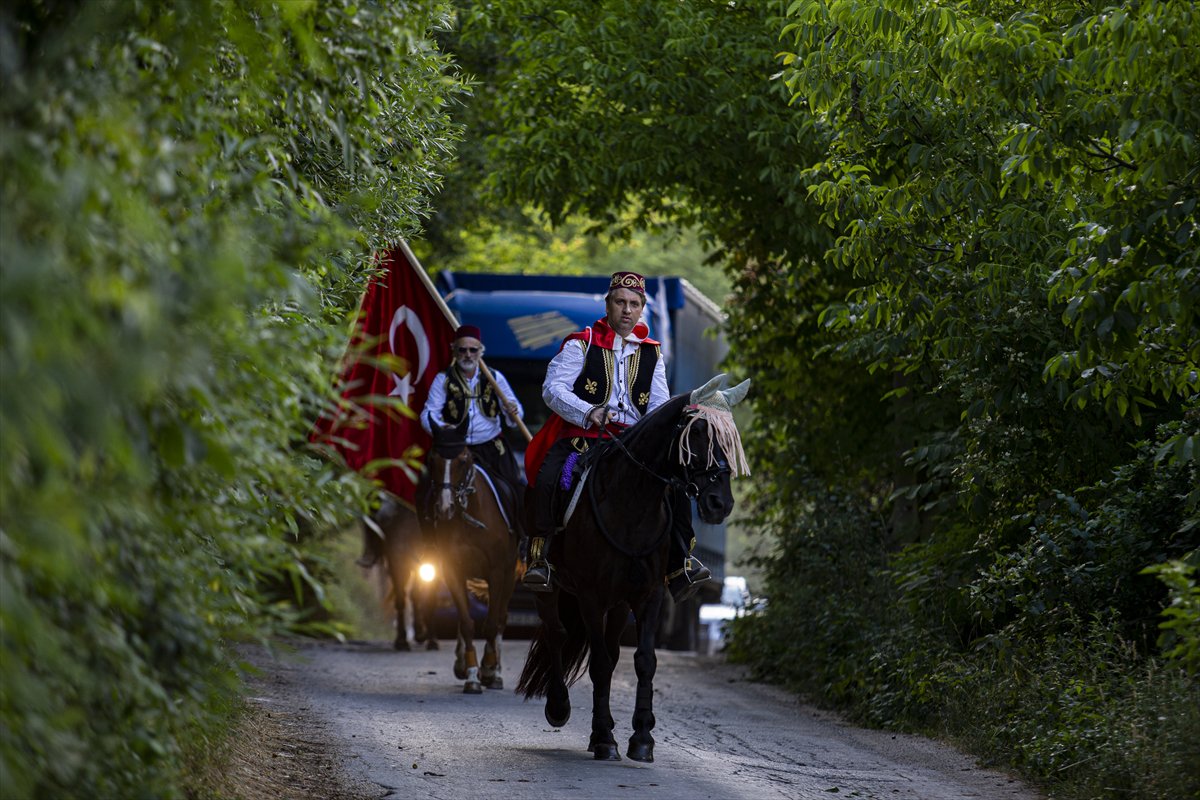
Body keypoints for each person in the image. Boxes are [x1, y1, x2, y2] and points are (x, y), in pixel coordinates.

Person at [521, 271, 711, 602]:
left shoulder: (652, 354)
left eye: (634, 304)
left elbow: (658, 405)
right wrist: (589, 411)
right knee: (550, 477)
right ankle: (541, 559)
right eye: (620, 302)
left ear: (641, 310)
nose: (627, 310)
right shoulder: (582, 343)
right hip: (585, 438)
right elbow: (553, 389)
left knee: (675, 487)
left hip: (633, 445)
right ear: (608, 305)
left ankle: (680, 564)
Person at [357, 324, 524, 568]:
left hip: (490, 448)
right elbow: (428, 414)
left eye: (473, 350)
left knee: (516, 488)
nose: (468, 355)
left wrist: (513, 410)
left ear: (481, 352)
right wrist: (442, 431)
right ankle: (430, 546)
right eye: (462, 350)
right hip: (454, 449)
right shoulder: (443, 379)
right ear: (454, 351)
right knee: (424, 491)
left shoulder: (495, 378)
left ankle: (523, 545)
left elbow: (516, 413)